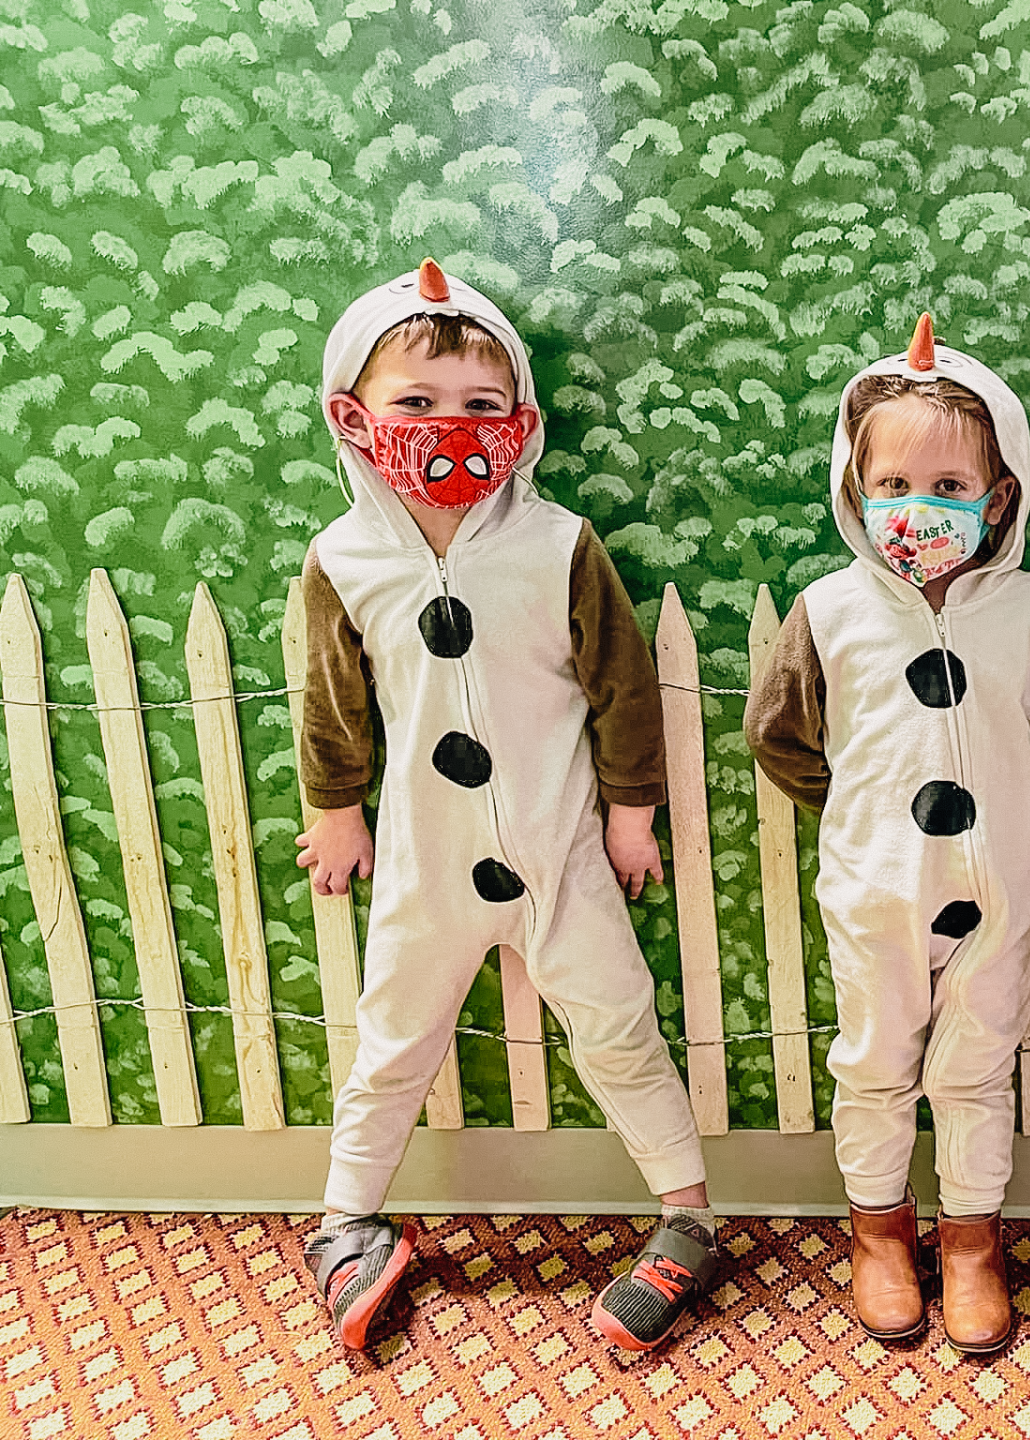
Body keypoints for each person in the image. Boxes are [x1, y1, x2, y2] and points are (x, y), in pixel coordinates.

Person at [297, 259, 716, 1354]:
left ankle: (687, 1214)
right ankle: (344, 1220)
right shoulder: (343, 558)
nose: (453, 425)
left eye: (482, 404)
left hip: (558, 845)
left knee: (618, 1023)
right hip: (426, 859)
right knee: (394, 1036)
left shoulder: (558, 543)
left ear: (520, 424)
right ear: (354, 419)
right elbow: (333, 699)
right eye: (417, 401)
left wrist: (630, 812)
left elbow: (621, 684)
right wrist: (336, 808)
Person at [744, 315, 1030, 1354]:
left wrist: (1002, 816)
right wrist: (861, 815)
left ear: (997, 497)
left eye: (947, 486)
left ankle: (972, 1239)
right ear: (856, 489)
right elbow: (779, 736)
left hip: (998, 892)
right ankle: (880, 1231)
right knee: (875, 1062)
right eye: (892, 484)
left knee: (978, 1066)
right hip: (875, 887)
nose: (917, 507)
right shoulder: (829, 611)